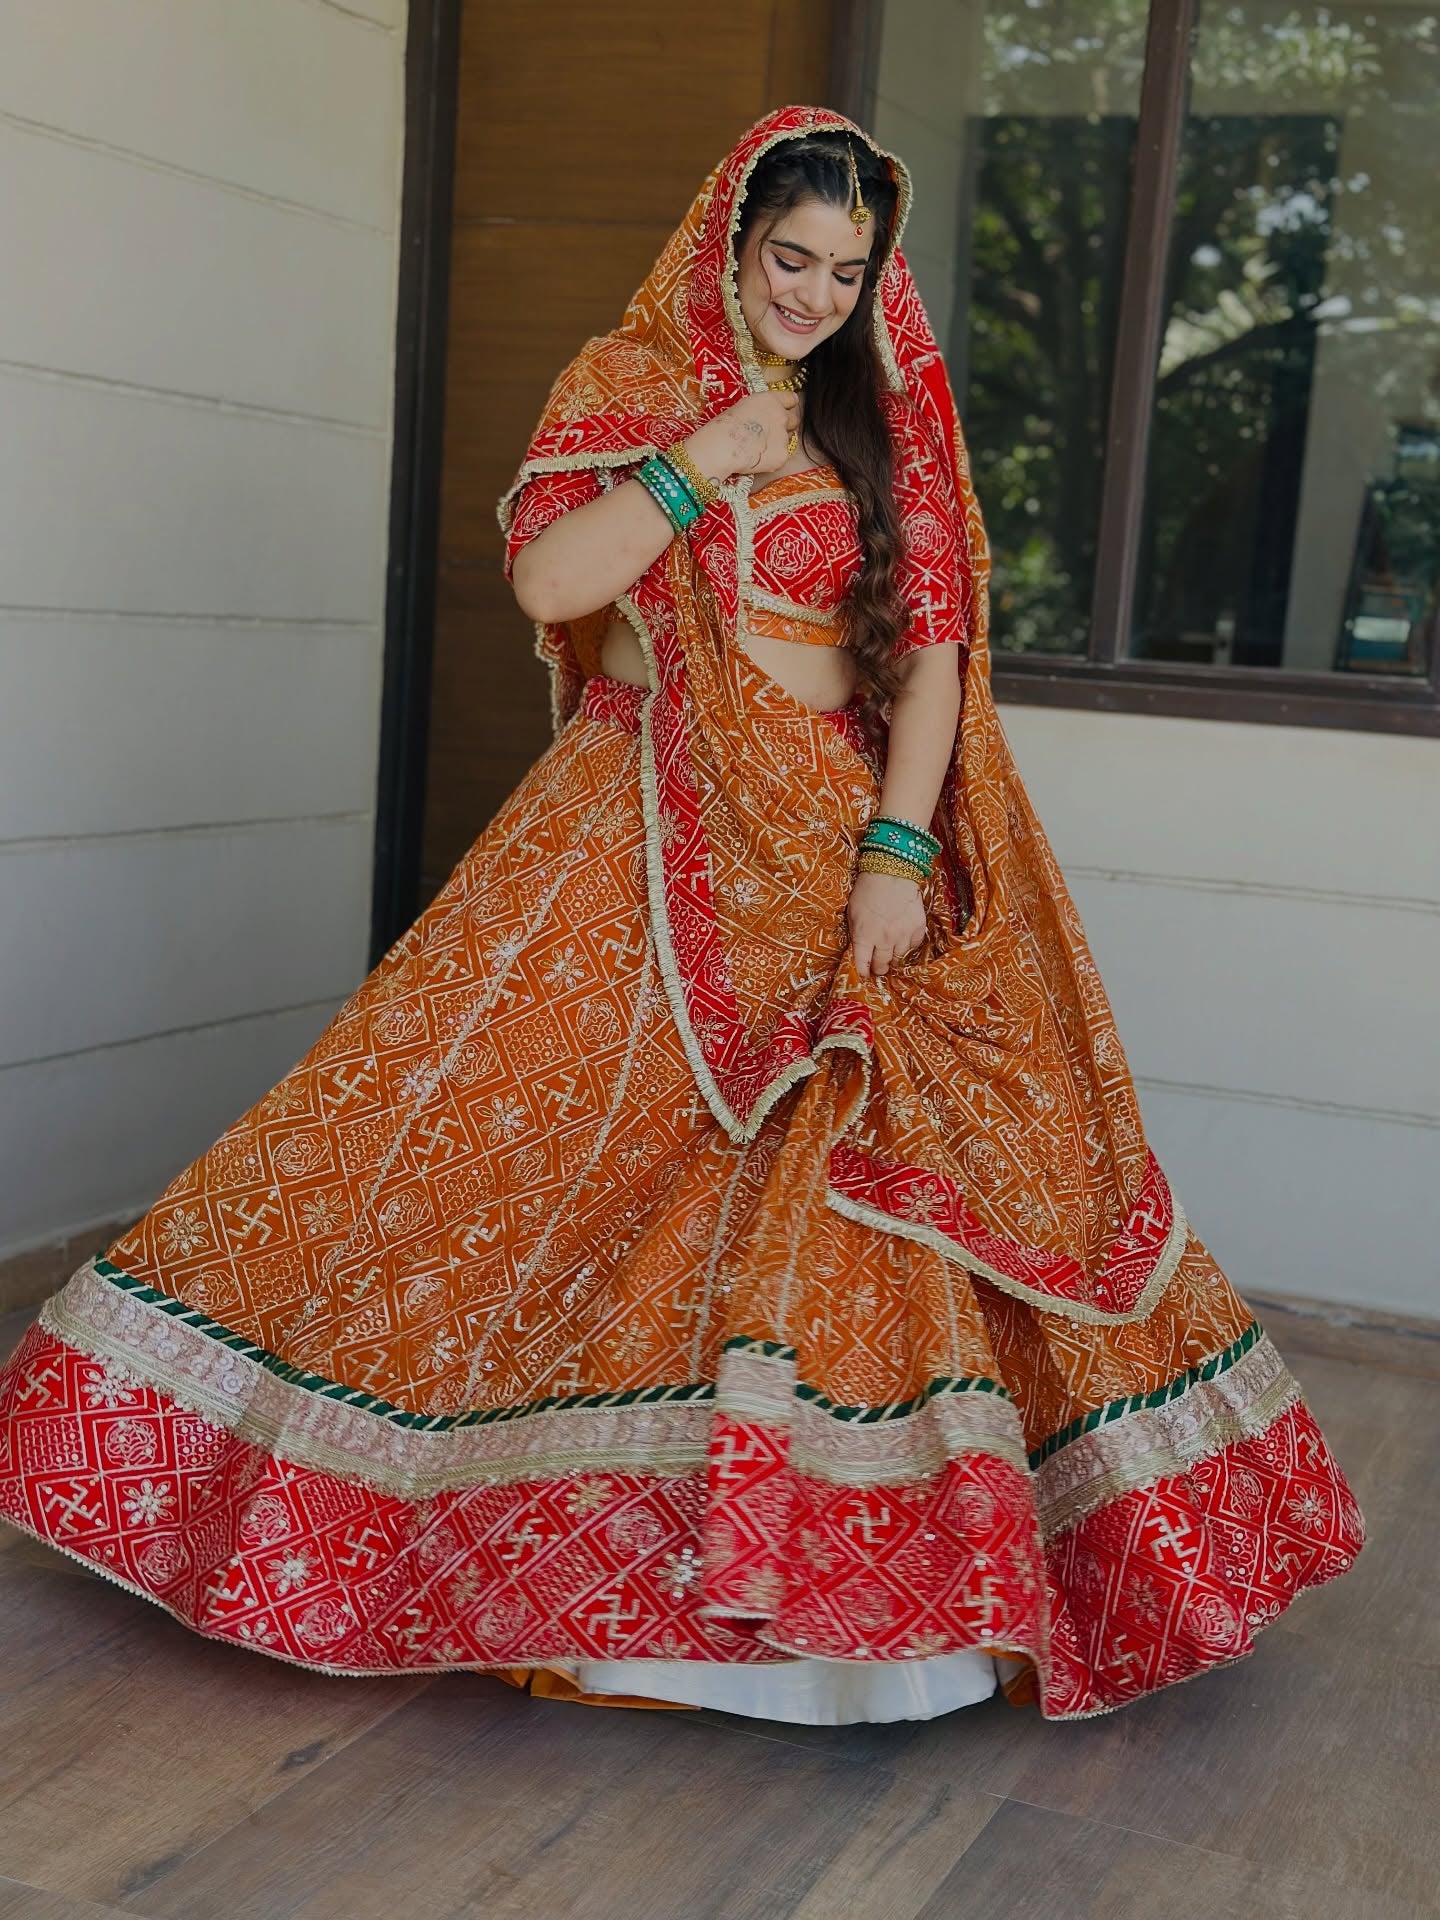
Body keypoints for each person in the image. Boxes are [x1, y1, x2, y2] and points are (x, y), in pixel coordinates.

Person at [0, 106, 1364, 1726]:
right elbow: (549, 588)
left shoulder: (887, 426)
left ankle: (872, 1618)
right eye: (792, 257)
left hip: (831, 849)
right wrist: (704, 455)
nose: (815, 295)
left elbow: (933, 664)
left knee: (878, 1174)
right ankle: (528, 1570)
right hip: (632, 830)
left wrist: (897, 853)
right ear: (729, 238)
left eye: (847, 272)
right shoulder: (627, 382)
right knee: (490, 1167)